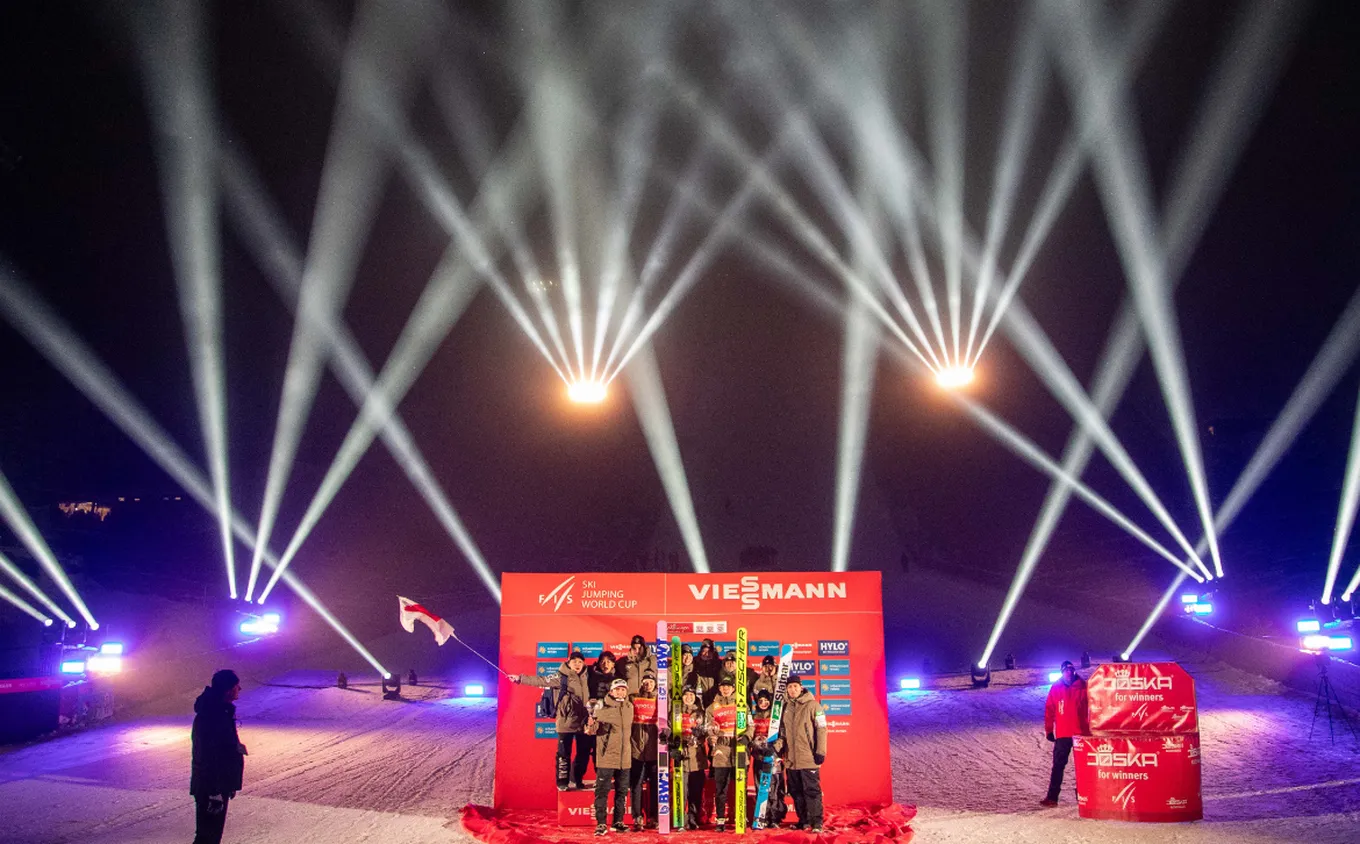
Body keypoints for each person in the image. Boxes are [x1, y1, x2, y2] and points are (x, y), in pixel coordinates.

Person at [511, 650, 593, 790]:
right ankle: (562, 782)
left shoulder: (587, 676)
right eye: (574, 661)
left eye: (580, 662)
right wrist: (520, 679)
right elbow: (541, 680)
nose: (577, 664)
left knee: (584, 753)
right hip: (565, 722)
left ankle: (576, 779)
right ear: (569, 662)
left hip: (583, 722)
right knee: (563, 755)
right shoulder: (561, 677)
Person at [190, 669, 246, 844]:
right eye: (236, 686)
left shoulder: (220, 712)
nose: (239, 689)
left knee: (210, 836)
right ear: (228, 689)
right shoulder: (213, 716)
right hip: (211, 787)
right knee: (207, 837)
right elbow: (208, 755)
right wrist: (214, 792)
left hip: (217, 785)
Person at [774, 675, 826, 833]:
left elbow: (821, 729)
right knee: (796, 791)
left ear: (801, 687)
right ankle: (803, 820)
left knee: (812, 791)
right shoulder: (786, 707)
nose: (793, 689)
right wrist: (778, 748)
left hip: (808, 757)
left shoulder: (813, 705)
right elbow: (783, 733)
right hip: (791, 760)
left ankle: (816, 823)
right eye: (790, 687)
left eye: (795, 686)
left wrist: (820, 751)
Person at [1041, 660, 1090, 807]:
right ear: (1062, 672)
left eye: (1071, 670)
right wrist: (1049, 730)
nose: (1069, 673)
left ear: (1074, 671)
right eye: (1066, 670)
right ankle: (1052, 798)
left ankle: (1084, 795)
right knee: (1058, 766)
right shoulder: (1056, 688)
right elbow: (1049, 709)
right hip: (1063, 734)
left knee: (1083, 767)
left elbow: (1094, 706)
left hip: (1081, 733)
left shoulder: (1083, 686)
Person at [592, 679, 635, 836]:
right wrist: (590, 724)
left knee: (622, 792)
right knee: (602, 791)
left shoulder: (630, 707)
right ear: (611, 691)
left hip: (625, 759)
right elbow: (592, 729)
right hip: (607, 757)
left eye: (623, 689)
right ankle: (601, 823)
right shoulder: (602, 707)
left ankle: (618, 822)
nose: (620, 692)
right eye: (617, 689)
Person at [704, 673, 741, 832]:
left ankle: (740, 816)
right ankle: (720, 819)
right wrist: (710, 737)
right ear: (719, 688)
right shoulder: (712, 707)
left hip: (738, 749)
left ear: (733, 688)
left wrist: (746, 737)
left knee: (740, 785)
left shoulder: (740, 704)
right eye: (723, 686)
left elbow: (750, 724)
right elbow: (708, 727)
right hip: (720, 750)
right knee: (721, 788)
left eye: (728, 686)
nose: (726, 689)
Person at [748, 689, 786, 827]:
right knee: (761, 787)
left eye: (765, 701)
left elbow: (782, 736)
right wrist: (755, 747)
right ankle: (762, 816)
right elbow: (750, 735)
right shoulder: (753, 717)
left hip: (772, 756)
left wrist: (774, 748)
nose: (763, 703)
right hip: (759, 756)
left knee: (773, 787)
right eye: (760, 701)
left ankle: (774, 817)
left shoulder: (775, 717)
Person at [629, 670, 660, 831]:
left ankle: (654, 816)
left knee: (655, 784)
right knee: (636, 784)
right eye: (646, 682)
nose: (648, 685)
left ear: (655, 684)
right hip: (636, 748)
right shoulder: (633, 698)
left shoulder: (661, 700)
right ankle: (637, 816)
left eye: (651, 682)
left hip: (654, 749)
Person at [678, 684, 708, 831]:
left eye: (691, 695)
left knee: (696, 790)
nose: (688, 697)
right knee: (682, 790)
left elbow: (708, 731)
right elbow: (669, 730)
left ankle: (693, 818)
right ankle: (681, 819)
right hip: (682, 756)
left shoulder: (700, 713)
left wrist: (701, 734)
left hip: (697, 756)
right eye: (686, 695)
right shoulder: (676, 711)